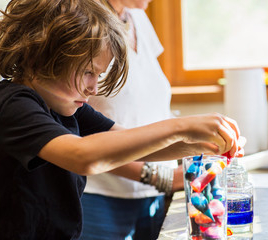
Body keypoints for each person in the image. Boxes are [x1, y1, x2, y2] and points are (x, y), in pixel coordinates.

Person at [0, 0, 244, 239]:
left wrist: (204, 144)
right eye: (88, 72)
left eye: (98, 75)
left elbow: (131, 145)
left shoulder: (67, 105)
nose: (93, 88)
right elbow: (83, 157)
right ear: (44, 56)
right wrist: (182, 126)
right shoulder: (12, 106)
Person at [81, 1, 184, 239]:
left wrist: (192, 146)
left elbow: (150, 106)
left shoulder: (138, 19)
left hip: (153, 196)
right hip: (100, 198)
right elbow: (79, 131)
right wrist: (163, 178)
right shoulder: (84, 22)